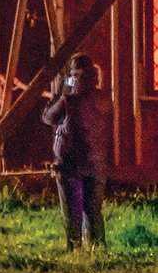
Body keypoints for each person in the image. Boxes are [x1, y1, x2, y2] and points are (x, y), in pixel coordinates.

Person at [40, 55, 108, 248]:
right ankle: (98, 250)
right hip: (96, 164)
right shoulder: (104, 99)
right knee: (93, 211)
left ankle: (75, 251)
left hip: (70, 165)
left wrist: (61, 92)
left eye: (73, 76)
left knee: (72, 214)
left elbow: (47, 117)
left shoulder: (70, 101)